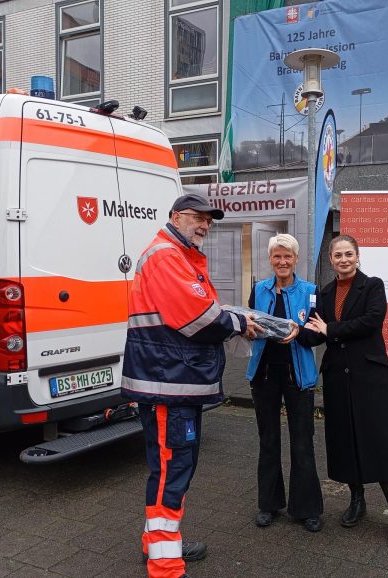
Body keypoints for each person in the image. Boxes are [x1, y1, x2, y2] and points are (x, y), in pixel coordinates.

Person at [122, 193, 260, 578]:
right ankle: (165, 565)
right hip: (170, 384)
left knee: (170, 467)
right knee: (172, 469)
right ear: (175, 217)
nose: (204, 225)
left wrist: (230, 317)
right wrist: (241, 324)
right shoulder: (167, 256)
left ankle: (156, 544)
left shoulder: (176, 255)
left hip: (174, 382)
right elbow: (198, 316)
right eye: (197, 217)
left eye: (208, 221)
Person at [304, 234, 388, 546]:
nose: (343, 259)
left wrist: (331, 329)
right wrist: (290, 331)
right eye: (337, 255)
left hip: (370, 377)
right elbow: (316, 333)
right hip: (338, 378)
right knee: (347, 441)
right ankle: (357, 501)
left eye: (348, 254)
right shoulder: (324, 293)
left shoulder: (373, 286)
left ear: (357, 255)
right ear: (331, 260)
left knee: (382, 442)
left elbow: (372, 321)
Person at [246, 234, 324, 532]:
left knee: (303, 442)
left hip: (298, 376)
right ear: (270, 259)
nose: (282, 261)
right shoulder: (259, 290)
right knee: (268, 441)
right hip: (264, 376)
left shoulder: (310, 292)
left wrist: (299, 333)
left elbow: (318, 334)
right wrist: (249, 331)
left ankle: (307, 508)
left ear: (295, 259)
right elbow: (251, 324)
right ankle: (269, 504)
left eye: (287, 256)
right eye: (277, 256)